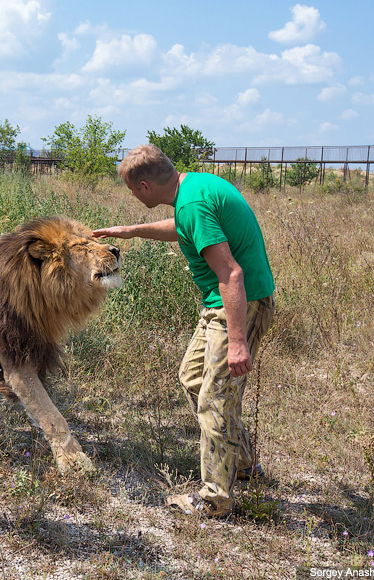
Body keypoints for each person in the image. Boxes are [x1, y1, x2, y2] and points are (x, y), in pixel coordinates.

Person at [93, 144, 275, 518]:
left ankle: (214, 499)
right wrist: (132, 231)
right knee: (193, 378)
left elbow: (232, 273)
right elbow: (183, 228)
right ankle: (243, 463)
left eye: (130, 189)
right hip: (221, 305)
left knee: (214, 397)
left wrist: (238, 341)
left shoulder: (191, 204)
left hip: (239, 305)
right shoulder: (193, 189)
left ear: (144, 187)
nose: (130, 195)